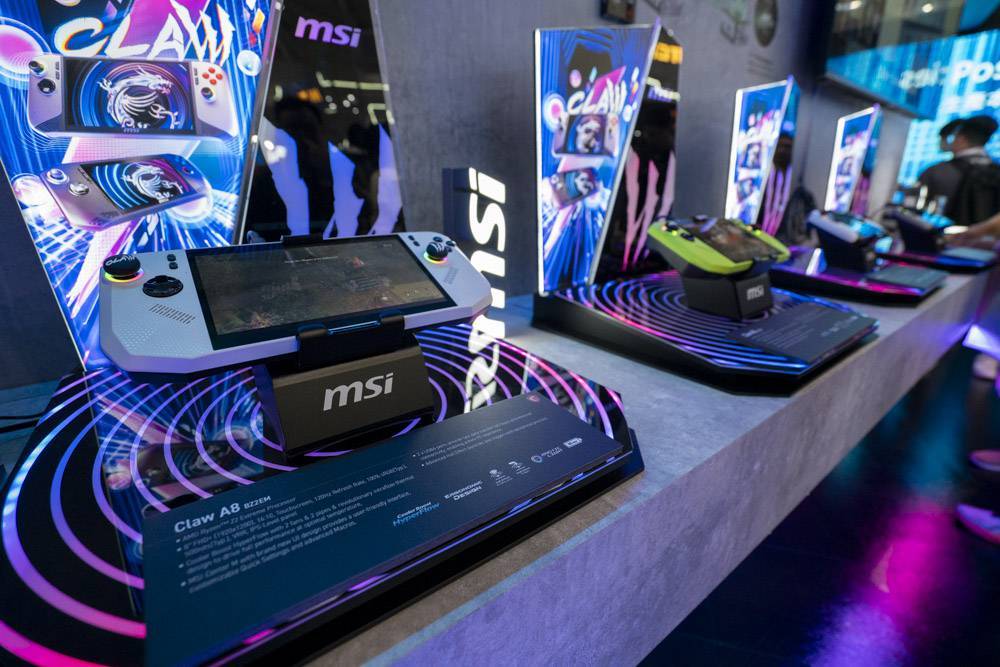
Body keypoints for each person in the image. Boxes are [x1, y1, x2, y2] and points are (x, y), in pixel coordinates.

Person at [918, 114, 1000, 226]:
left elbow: (912, 213)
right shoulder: (996, 171)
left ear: (961, 139)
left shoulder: (937, 171)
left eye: (952, 137)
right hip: (986, 236)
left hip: (943, 235)